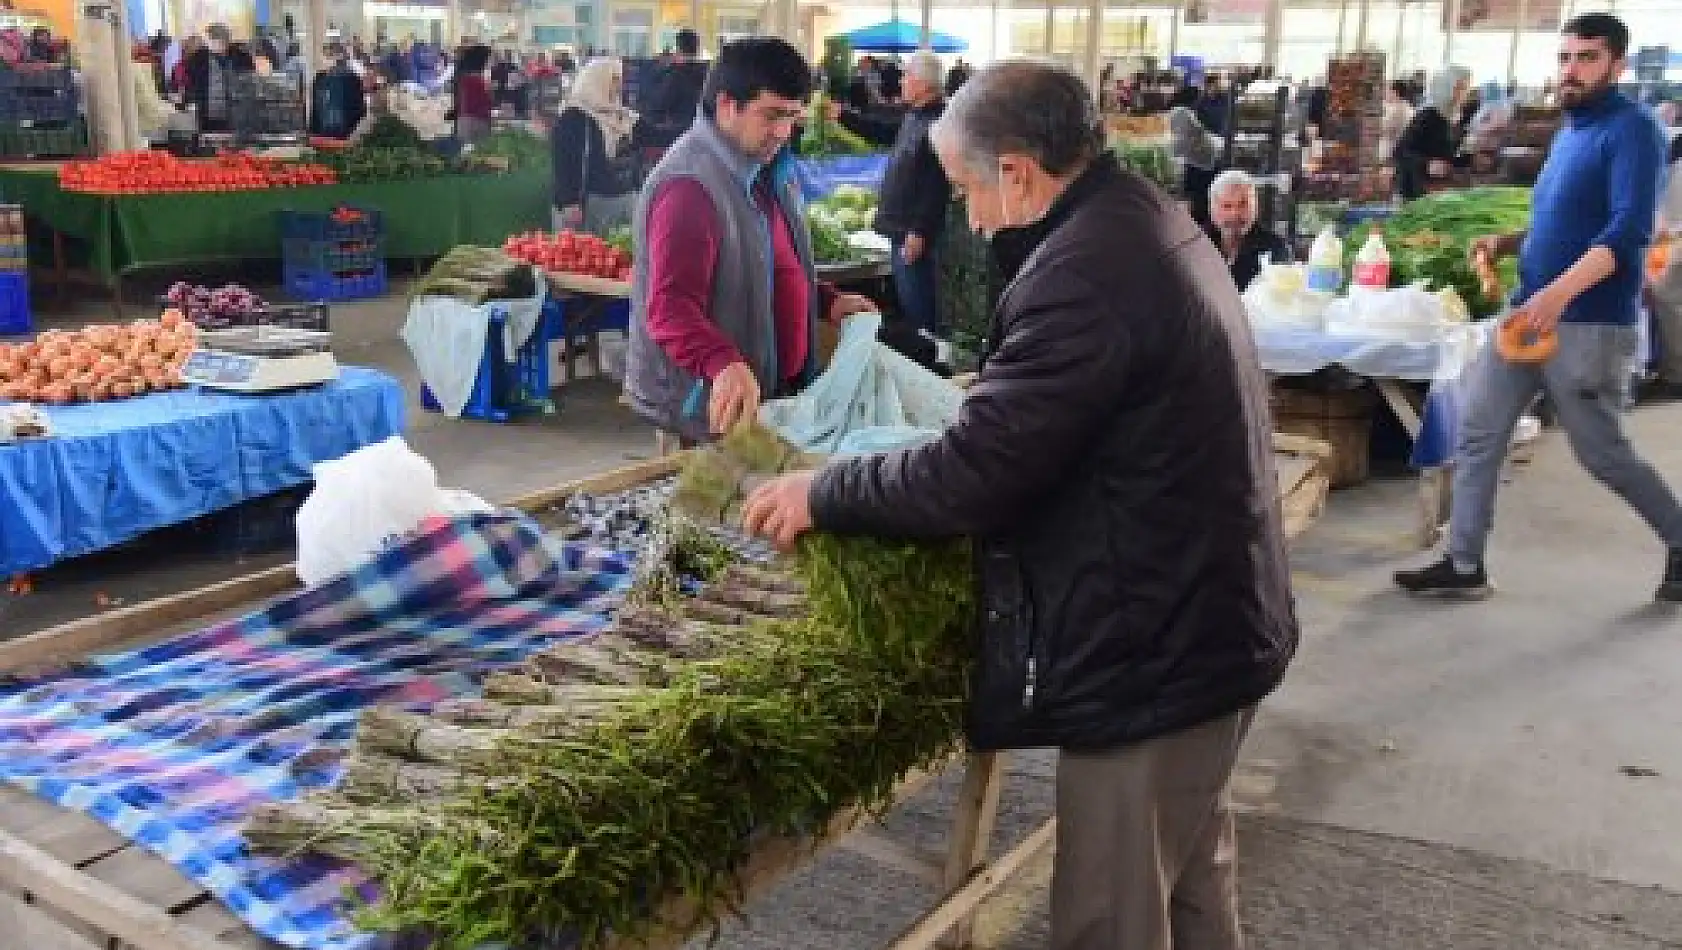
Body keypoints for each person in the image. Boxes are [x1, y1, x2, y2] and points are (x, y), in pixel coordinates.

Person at [738, 59, 1297, 950]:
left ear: (1018, 172)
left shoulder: (1084, 275)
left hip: (1153, 650)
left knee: (1112, 917)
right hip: (1208, 620)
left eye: (963, 189)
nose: (964, 212)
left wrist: (827, 491)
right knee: (1188, 886)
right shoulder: (1140, 217)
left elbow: (977, 470)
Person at [1396, 13, 1682, 603]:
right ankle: (1464, 560)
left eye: (1587, 58)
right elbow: (1564, 220)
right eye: (1565, 58)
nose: (1571, 71)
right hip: (1530, 312)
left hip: (1588, 322)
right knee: (1478, 428)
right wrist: (1510, 243)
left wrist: (1559, 294)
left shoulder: (1633, 132)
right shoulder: (1572, 129)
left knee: (1601, 453)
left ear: (1616, 65)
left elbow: (1627, 233)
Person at [624, 37, 877, 445]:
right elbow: (670, 309)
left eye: (792, 117)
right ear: (727, 105)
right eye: (772, 116)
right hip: (707, 411)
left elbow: (768, 267)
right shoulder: (690, 187)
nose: (782, 132)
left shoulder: (769, 171)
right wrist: (722, 362)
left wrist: (827, 301)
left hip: (770, 400)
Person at [833, 50, 951, 335]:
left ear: (924, 84)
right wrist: (843, 116)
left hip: (912, 234)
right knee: (909, 305)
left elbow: (936, 184)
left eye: (907, 75)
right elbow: (883, 130)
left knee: (920, 309)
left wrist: (919, 231)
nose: (901, 81)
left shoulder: (938, 125)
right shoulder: (915, 116)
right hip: (900, 230)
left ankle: (928, 362)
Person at [551, 57, 646, 235]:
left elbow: (652, 134)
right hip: (584, 205)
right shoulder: (574, 116)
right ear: (597, 79)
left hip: (619, 198)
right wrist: (569, 201)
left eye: (619, 79)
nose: (618, 86)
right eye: (614, 79)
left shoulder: (620, 115)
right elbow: (563, 162)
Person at [1203, 170, 1292, 292]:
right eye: (1227, 206)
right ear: (1212, 210)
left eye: (1243, 204)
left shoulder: (1276, 248)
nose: (1235, 214)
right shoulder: (1196, 246)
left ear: (1255, 207)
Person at [1393, 66, 1470, 200]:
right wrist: (1427, 163)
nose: (1465, 94)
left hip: (1439, 190)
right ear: (1446, 89)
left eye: (1466, 88)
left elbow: (1446, 156)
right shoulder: (1428, 117)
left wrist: (1469, 158)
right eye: (1460, 88)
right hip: (1416, 189)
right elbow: (1401, 151)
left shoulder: (1456, 118)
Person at [1167, 84, 1222, 224]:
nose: (1200, 100)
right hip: (1195, 159)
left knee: (1194, 192)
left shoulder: (1179, 111)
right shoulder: (1183, 112)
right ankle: (1200, 218)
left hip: (1191, 157)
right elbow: (1197, 131)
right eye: (1198, 97)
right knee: (1199, 192)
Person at [186, 24, 255, 132]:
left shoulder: (242, 57)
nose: (208, 43)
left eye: (212, 39)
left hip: (236, 113)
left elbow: (250, 81)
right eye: (208, 40)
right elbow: (192, 81)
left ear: (224, 40)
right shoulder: (199, 58)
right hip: (208, 114)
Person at [647, 28, 708, 147]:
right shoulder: (709, 73)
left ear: (678, 49)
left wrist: (663, 70)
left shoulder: (676, 75)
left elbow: (658, 104)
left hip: (677, 137)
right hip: (703, 134)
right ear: (697, 49)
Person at [452, 43, 494, 144]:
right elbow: (482, 102)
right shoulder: (478, 81)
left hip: (466, 119)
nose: (490, 63)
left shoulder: (464, 77)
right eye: (489, 60)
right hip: (476, 121)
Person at [1378, 78, 1415, 163]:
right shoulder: (1408, 107)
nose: (1385, 93)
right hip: (1400, 150)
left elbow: (1383, 129)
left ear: (1395, 92)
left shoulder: (1398, 111)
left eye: (1387, 90)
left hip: (1391, 151)